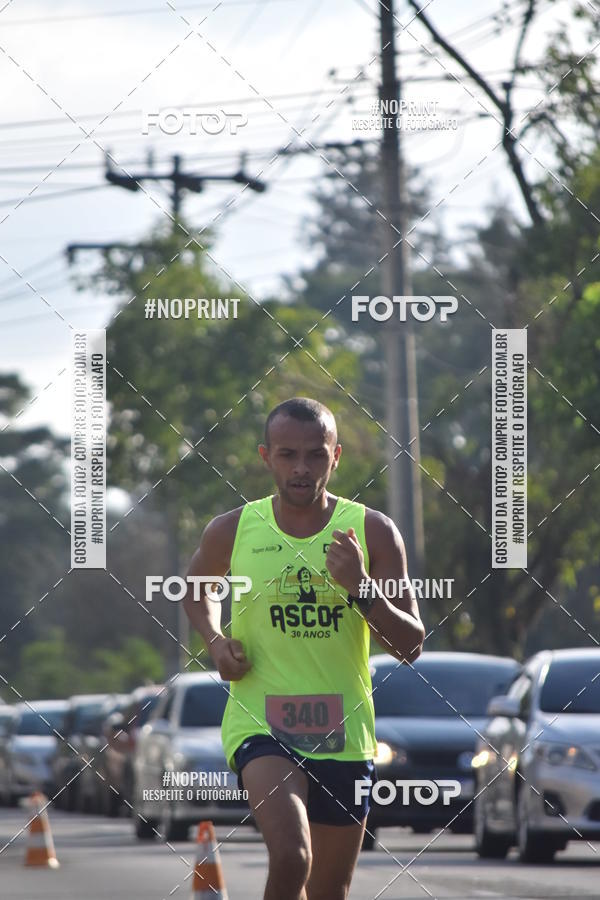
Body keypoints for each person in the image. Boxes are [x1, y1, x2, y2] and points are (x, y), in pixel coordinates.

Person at [184, 397, 425, 900]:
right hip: (261, 722)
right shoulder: (234, 529)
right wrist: (214, 640)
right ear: (265, 456)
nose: (301, 468)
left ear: (335, 458)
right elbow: (197, 587)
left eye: (315, 455)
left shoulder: (372, 531)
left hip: (345, 731)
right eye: (288, 454)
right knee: (293, 856)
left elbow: (409, 645)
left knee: (329, 890)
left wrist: (360, 587)